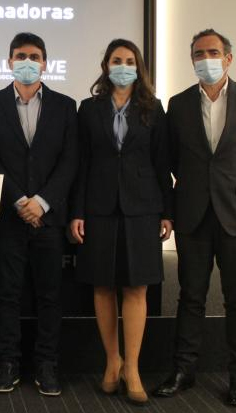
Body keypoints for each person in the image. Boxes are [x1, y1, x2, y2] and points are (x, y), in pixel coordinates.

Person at [153, 29, 236, 407]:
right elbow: (171, 159)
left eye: (212, 52)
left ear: (228, 58)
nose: (205, 59)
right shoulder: (177, 104)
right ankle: (183, 370)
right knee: (190, 296)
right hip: (193, 214)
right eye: (198, 53)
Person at [69, 39, 172, 405]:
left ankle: (133, 368)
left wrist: (167, 212)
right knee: (102, 286)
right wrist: (77, 211)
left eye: (130, 61)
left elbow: (162, 163)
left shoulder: (153, 108)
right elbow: (81, 163)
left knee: (136, 288)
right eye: (117, 60)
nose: (123, 66)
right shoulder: (88, 108)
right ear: (106, 66)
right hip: (98, 207)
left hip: (142, 208)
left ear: (138, 67)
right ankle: (113, 361)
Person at [0, 32, 78, 396]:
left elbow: (70, 161)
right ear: (9, 62)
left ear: (45, 63)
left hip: (49, 218)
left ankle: (47, 364)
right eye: (20, 56)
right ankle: (7, 363)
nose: (27, 62)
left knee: (50, 295)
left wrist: (43, 202)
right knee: (7, 293)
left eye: (34, 56)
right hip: (9, 217)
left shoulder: (66, 106)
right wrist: (20, 201)